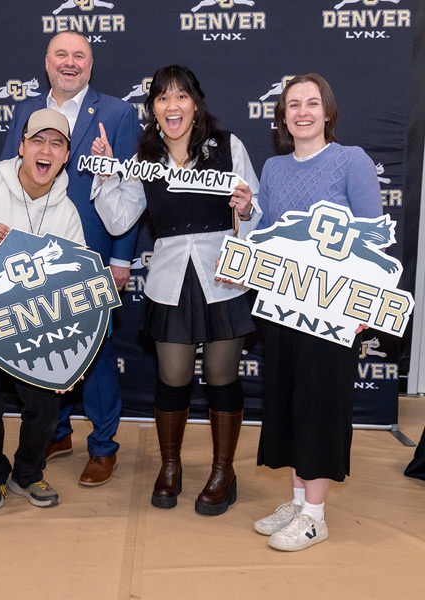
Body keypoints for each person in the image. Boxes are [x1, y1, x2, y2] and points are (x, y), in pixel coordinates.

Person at [90, 65, 260, 515]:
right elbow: (119, 220)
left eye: (180, 96)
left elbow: (255, 211)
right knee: (173, 379)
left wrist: (246, 208)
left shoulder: (228, 147)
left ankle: (224, 472)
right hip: (169, 279)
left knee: (223, 378)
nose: (172, 106)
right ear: (153, 110)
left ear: (196, 104)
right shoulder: (145, 158)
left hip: (223, 274)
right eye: (162, 98)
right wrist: (107, 175)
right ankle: (170, 467)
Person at [1, 30, 140, 486]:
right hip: (35, 253)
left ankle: (103, 446)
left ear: (91, 65)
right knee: (43, 342)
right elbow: (6, 176)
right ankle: (57, 433)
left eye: (79, 56)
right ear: (46, 63)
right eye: (61, 54)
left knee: (94, 351)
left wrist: (122, 259)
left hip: (95, 250)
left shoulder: (118, 113)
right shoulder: (25, 111)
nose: (70, 62)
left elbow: (131, 191)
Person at [253, 73, 382, 551]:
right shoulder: (273, 167)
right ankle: (297, 499)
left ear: (327, 112)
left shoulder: (352, 161)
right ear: (283, 115)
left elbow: (374, 236)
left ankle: (315, 515)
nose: (302, 112)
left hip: (334, 309)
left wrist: (364, 300)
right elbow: (264, 232)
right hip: (284, 306)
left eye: (311, 103)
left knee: (321, 405)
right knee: (289, 401)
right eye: (293, 104)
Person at [0, 109, 85, 510]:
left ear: (66, 156)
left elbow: (76, 286)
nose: (46, 150)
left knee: (46, 405)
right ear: (22, 146)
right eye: (38, 141)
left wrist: (73, 358)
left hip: (34, 325)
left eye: (57, 143)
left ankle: (28, 473)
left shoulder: (67, 211)